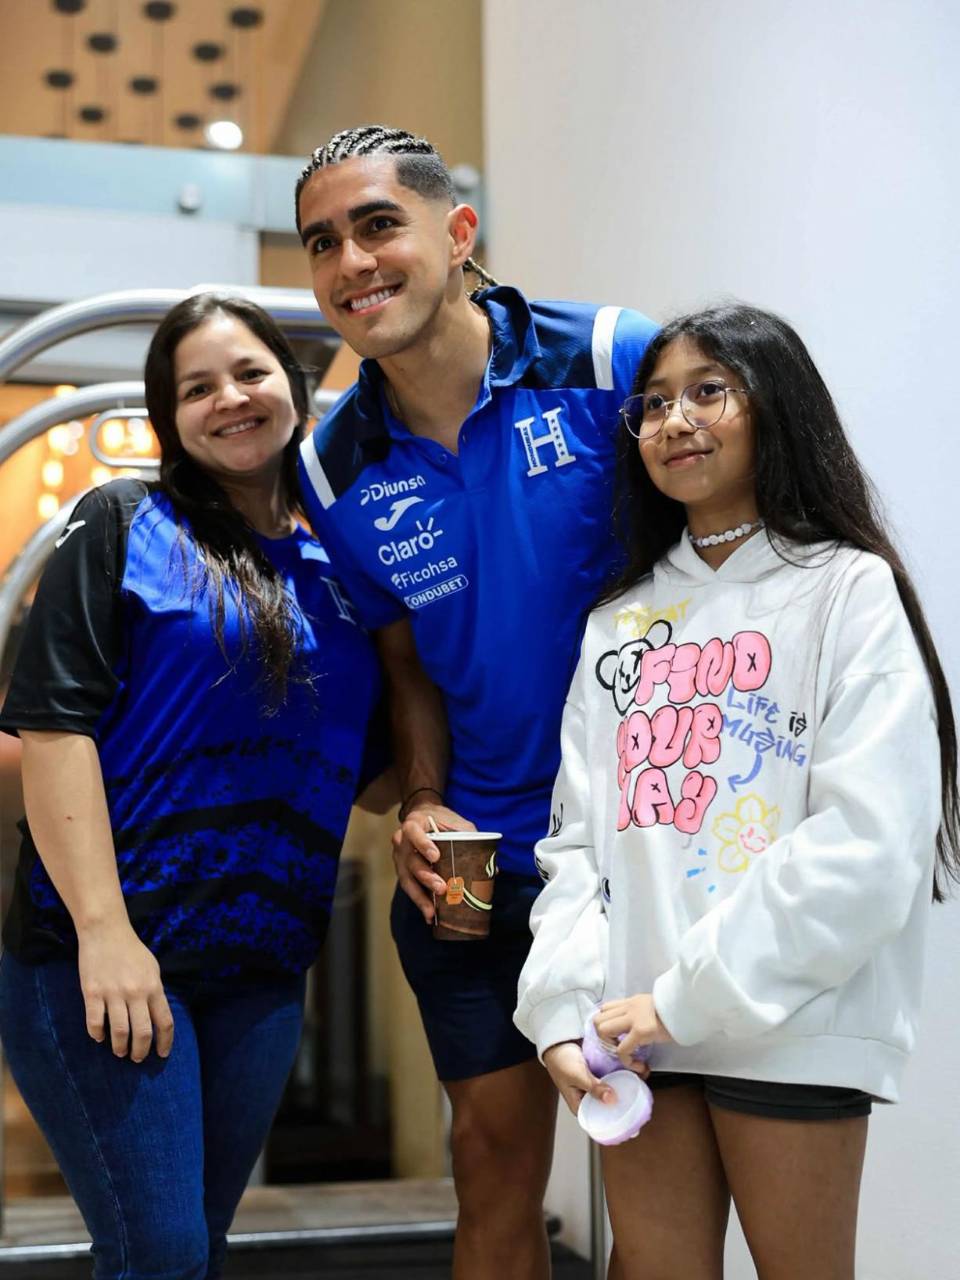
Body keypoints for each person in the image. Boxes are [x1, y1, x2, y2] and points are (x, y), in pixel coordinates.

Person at [514, 303, 960, 1280]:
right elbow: (579, 846)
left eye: (709, 391)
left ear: (776, 408)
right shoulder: (620, 619)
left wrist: (686, 993)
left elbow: (867, 843)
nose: (675, 420)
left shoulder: (847, 589)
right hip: (637, 1042)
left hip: (792, 1025)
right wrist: (560, 1008)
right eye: (656, 402)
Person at [293, 124, 657, 1278]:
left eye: (376, 225)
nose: (350, 261)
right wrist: (425, 798)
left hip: (639, 846)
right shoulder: (330, 463)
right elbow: (406, 666)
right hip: (476, 862)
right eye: (321, 241)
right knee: (492, 1166)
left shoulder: (610, 356)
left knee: (653, 1183)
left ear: (458, 235)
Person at [0, 292, 381, 1280]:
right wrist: (104, 932)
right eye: (196, 387)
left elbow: (368, 768)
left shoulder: (337, 563)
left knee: (193, 1249)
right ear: (170, 419)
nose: (231, 399)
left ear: (293, 388)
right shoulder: (123, 521)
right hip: (105, 959)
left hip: (262, 966)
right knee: (159, 1252)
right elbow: (52, 726)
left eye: (249, 373)